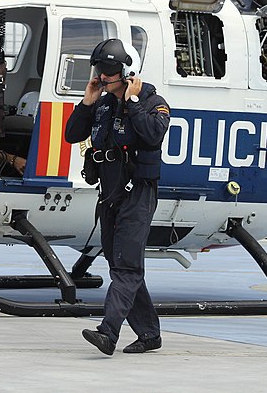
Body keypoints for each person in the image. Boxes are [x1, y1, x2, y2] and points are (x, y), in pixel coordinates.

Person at [65, 38, 171, 356]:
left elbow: (153, 134)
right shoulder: (102, 103)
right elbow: (72, 134)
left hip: (137, 194)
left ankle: (108, 332)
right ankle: (150, 334)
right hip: (109, 195)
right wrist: (87, 101)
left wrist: (133, 101)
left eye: (109, 71)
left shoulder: (153, 101)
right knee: (120, 263)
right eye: (100, 70)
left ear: (127, 72)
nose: (103, 76)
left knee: (126, 269)